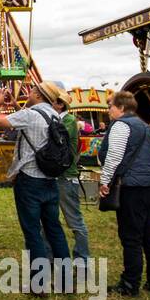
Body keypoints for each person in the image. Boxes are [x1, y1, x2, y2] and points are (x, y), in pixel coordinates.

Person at [0, 82, 72, 295]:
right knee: (55, 230)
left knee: (33, 232)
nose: (29, 93)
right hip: (49, 180)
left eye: (31, 91)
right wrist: (17, 105)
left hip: (30, 180)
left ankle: (39, 284)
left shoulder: (30, 115)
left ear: (37, 94)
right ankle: (65, 282)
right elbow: (30, 122)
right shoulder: (54, 115)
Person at [98, 90, 150, 297]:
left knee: (131, 237)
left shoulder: (121, 125)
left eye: (111, 107)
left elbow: (114, 156)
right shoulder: (146, 128)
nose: (109, 111)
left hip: (134, 187)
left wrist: (105, 181)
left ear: (120, 108)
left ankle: (129, 284)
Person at [50, 86, 90, 260]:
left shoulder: (68, 121)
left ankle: (82, 259)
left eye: (51, 100)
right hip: (55, 176)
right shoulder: (59, 119)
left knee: (74, 221)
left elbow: (57, 139)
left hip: (66, 176)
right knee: (49, 220)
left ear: (59, 105)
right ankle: (49, 257)